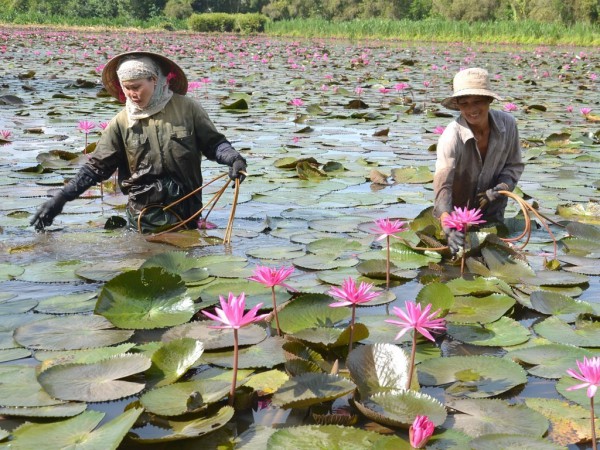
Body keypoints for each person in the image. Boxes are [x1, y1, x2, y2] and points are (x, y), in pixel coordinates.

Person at [30, 51, 247, 233]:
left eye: (137, 86)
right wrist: (60, 199)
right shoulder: (121, 122)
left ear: (155, 80)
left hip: (187, 213)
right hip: (143, 217)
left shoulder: (187, 109)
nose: (132, 94)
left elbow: (214, 144)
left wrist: (233, 158)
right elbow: (95, 168)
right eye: (127, 88)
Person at [433, 67, 524, 254]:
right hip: (457, 215)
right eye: (464, 103)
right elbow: (443, 184)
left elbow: (513, 166)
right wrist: (446, 221)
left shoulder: (508, 124)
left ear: (489, 100)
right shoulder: (451, 136)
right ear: (458, 105)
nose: (472, 110)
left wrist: (502, 187)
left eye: (477, 102)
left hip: (493, 212)